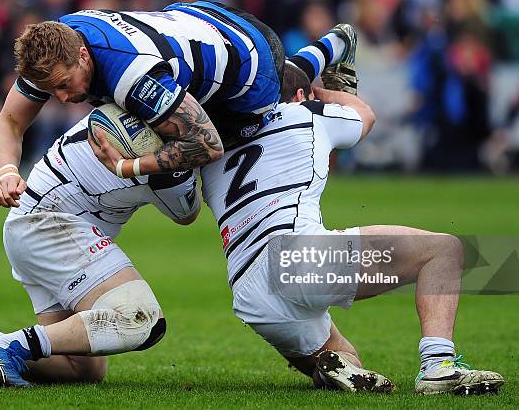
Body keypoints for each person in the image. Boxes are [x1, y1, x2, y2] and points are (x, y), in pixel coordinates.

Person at [199, 62, 505, 395]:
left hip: (248, 292)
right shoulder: (305, 113)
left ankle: (333, 368)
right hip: (295, 261)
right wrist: (328, 94)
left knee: (345, 358)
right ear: (300, 95)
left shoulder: (217, 151)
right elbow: (365, 115)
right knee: (444, 250)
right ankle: (438, 365)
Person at [0, 110, 200, 387]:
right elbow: (187, 214)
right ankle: (6, 346)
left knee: (80, 369)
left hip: (29, 222)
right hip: (51, 224)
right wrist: (183, 161)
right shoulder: (169, 163)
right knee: (140, 318)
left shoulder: (120, 101)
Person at [0, 0, 358, 208]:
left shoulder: (132, 76)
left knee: (285, 111)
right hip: (199, 22)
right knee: (164, 134)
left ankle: (343, 109)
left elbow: (207, 143)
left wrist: (127, 166)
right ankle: (335, 44)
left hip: (247, 68)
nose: (64, 98)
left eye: (65, 86)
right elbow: (9, 121)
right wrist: (7, 171)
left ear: (84, 56)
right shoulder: (52, 49)